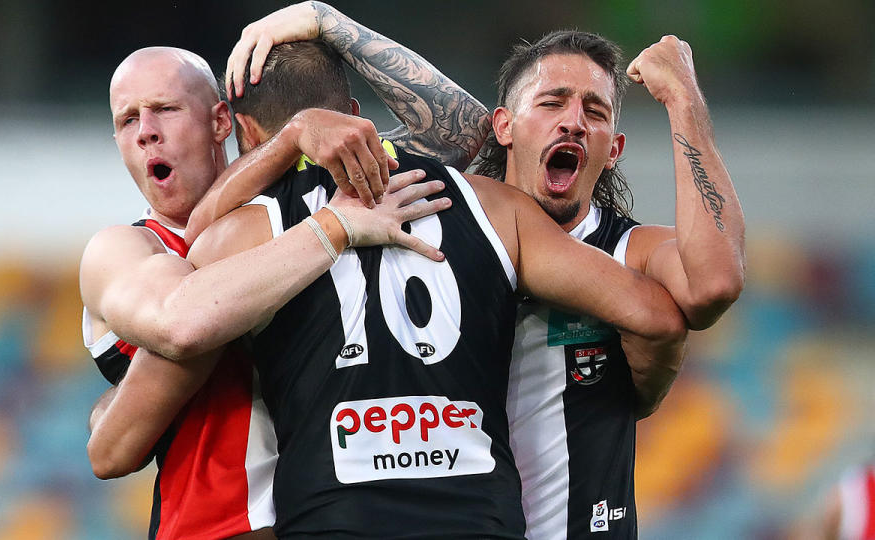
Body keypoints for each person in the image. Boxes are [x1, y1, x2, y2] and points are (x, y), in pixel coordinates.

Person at [182, 25, 685, 538]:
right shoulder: (494, 205)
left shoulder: (249, 227)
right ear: (358, 118)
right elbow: (658, 318)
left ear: (245, 134)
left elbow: (183, 303)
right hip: (475, 519)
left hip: (335, 518)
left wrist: (292, 151)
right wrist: (640, 397)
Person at [81, 45, 459, 539]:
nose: (146, 130)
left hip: (342, 516)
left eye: (165, 109)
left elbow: (464, 134)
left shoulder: (301, 209)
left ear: (222, 122)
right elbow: (181, 321)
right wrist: (326, 208)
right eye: (128, 120)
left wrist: (331, 26)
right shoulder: (124, 249)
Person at [472, 31, 745, 538]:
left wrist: (682, 97)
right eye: (552, 102)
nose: (573, 121)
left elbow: (714, 284)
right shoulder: (454, 231)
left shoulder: (631, 251)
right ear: (504, 127)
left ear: (613, 148)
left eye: (595, 113)